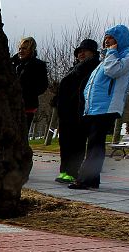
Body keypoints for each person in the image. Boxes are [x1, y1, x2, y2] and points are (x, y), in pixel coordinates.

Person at [71, 24, 129, 190]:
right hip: (94, 107)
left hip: (107, 107)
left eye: (110, 38)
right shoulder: (106, 58)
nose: (106, 41)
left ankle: (85, 178)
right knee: (93, 143)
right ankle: (92, 179)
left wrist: (112, 52)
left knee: (95, 144)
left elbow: (114, 71)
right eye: (105, 38)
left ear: (120, 39)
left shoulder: (128, 56)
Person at [52, 39, 100, 184]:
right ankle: (65, 170)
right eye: (79, 51)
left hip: (80, 109)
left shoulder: (94, 68)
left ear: (93, 52)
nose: (81, 53)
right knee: (65, 141)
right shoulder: (74, 68)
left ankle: (72, 171)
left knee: (77, 142)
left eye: (85, 51)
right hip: (66, 110)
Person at [11, 37, 49, 133]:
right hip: (11, 103)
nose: (21, 51)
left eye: (24, 48)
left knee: (21, 133)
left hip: (27, 104)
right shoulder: (13, 64)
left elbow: (43, 86)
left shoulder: (38, 65)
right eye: (20, 48)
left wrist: (29, 92)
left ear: (31, 50)